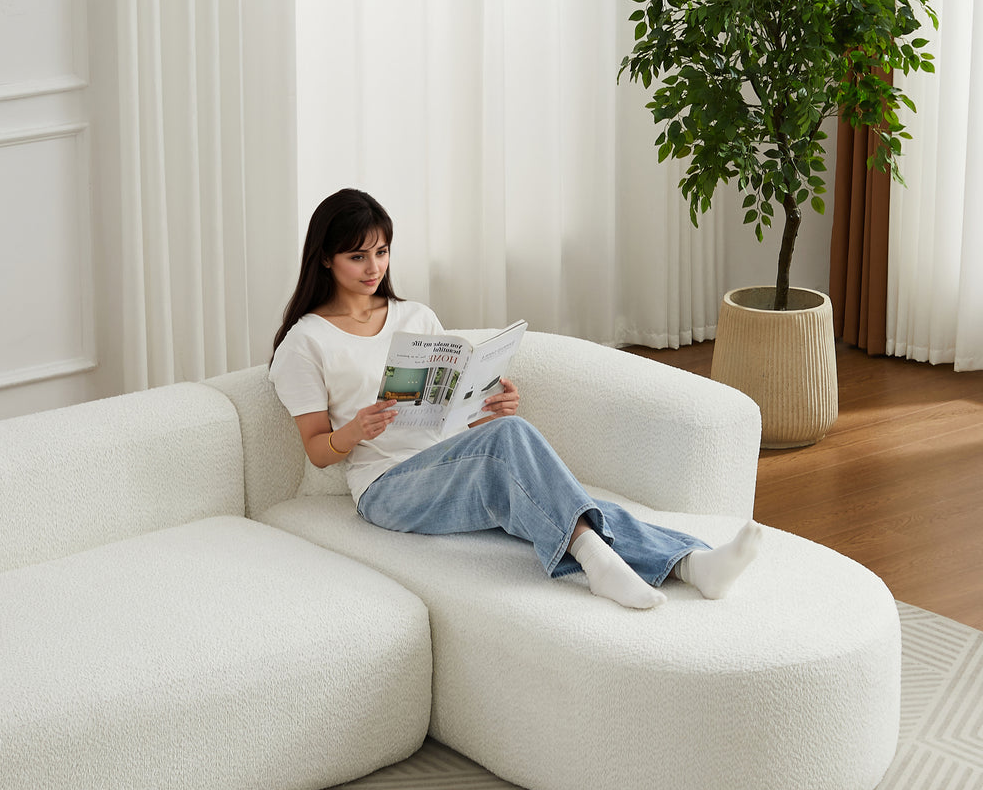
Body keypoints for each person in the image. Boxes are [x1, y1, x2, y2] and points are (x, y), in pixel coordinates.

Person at [270, 188, 761, 610]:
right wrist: (355, 430)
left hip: (446, 461)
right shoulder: (306, 341)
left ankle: (692, 564)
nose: (374, 267)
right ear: (326, 258)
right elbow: (316, 450)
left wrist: (488, 407)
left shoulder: (415, 317)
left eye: (382, 252)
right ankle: (602, 561)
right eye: (358, 256)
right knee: (525, 456)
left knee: (554, 487)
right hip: (385, 488)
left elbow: (449, 413)